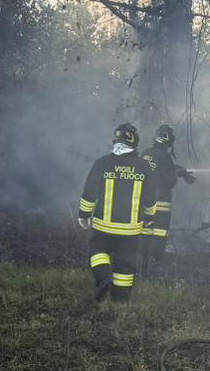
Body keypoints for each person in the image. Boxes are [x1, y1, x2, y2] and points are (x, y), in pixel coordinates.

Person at [77, 123, 158, 302]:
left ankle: (104, 278)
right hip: (130, 230)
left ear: (115, 139)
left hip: (103, 226)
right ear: (135, 142)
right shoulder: (143, 166)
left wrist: (84, 214)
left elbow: (90, 192)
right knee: (125, 263)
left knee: (98, 251)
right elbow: (151, 197)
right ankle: (120, 300)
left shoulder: (102, 163)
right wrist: (150, 217)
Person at [139, 124, 194, 274]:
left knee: (145, 234)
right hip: (161, 203)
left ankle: (142, 266)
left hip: (144, 202)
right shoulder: (165, 156)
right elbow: (170, 181)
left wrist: (176, 169)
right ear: (168, 141)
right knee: (159, 234)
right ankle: (155, 265)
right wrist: (179, 173)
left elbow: (157, 169)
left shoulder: (146, 153)